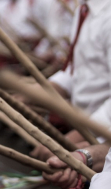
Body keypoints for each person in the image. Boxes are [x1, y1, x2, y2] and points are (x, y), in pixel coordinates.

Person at [28, 0, 111, 160]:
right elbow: (77, 70)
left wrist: (73, 139)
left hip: (100, 136)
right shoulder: (84, 9)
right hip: (83, 125)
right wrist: (38, 91)